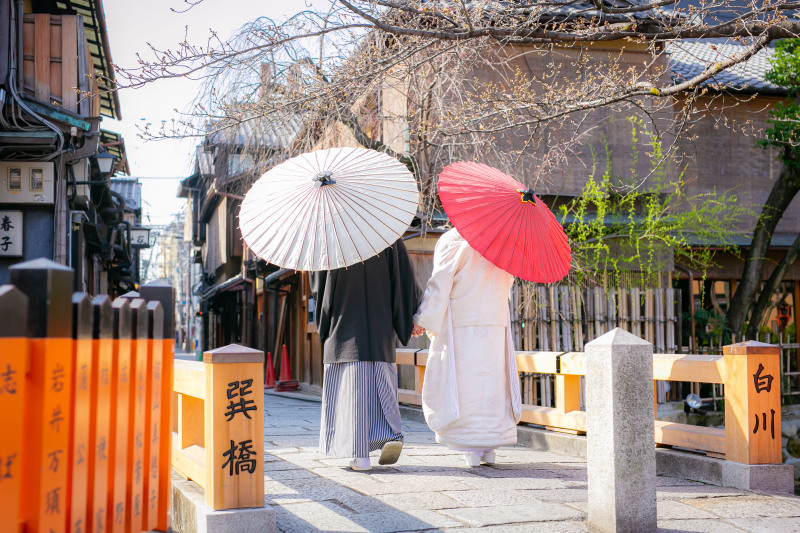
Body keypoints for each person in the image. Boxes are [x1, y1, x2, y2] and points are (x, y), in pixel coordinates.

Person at [412, 228, 521, 466]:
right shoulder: (503, 238)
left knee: (464, 383)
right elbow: (509, 280)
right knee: (493, 382)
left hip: (461, 322)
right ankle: (490, 445)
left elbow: (440, 283)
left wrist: (424, 319)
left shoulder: (453, 239)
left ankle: (471, 447)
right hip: (494, 322)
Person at [311, 238, 421, 471]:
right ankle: (390, 433)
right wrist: (412, 316)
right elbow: (404, 282)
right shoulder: (387, 236)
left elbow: (322, 292)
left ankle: (359, 454)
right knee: (382, 387)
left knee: (352, 397)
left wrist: (325, 325)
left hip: (343, 333)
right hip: (379, 331)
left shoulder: (330, 240)